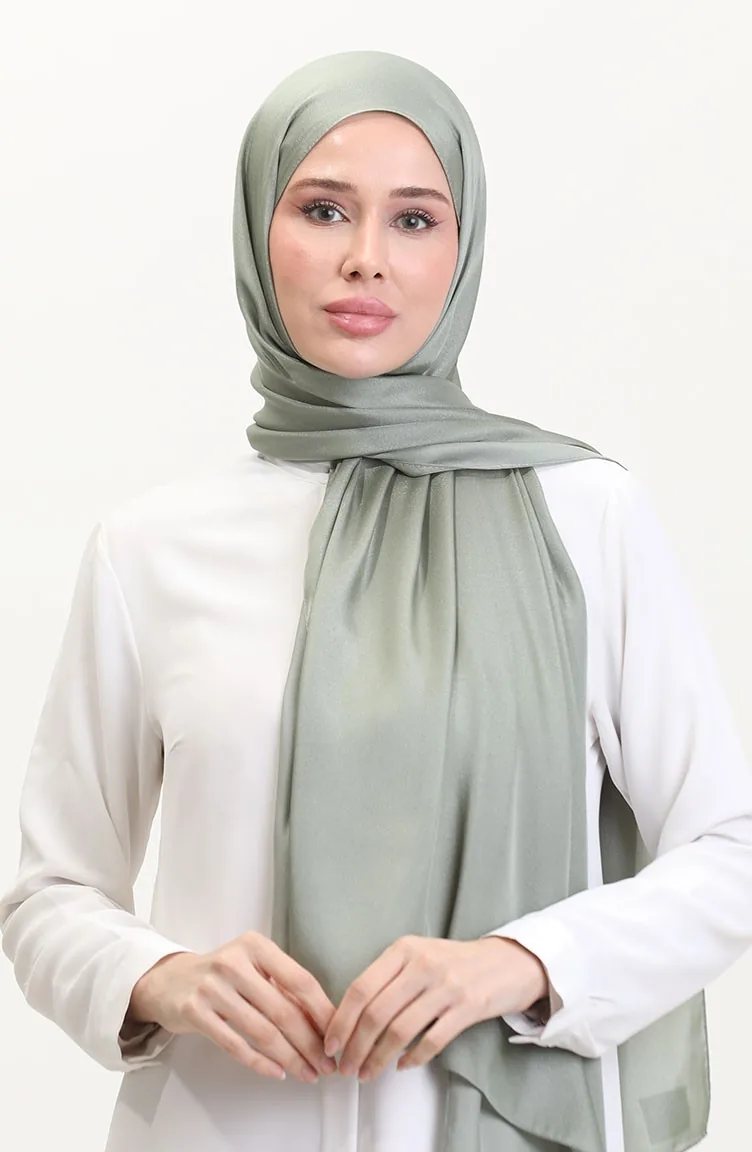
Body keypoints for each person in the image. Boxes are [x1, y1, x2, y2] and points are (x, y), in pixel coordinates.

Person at [1, 49, 751, 1152]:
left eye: (413, 219)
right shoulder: (150, 549)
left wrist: (523, 960)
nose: (366, 258)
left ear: (462, 247)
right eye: (321, 209)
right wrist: (160, 975)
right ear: (257, 229)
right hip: (222, 1123)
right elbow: (49, 895)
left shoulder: (585, 517)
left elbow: (728, 850)